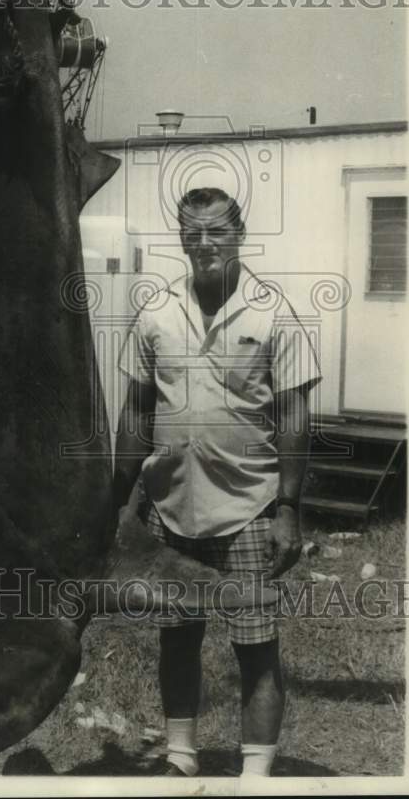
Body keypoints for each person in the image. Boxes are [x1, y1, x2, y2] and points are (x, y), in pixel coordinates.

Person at [114, 187, 321, 779]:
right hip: (172, 509)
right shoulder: (154, 311)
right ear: (180, 237)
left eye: (216, 232)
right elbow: (135, 412)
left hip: (250, 509)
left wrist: (288, 508)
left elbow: (294, 417)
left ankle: (254, 776)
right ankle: (180, 758)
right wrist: (115, 500)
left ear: (239, 233)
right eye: (192, 232)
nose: (204, 244)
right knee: (177, 639)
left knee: (254, 647)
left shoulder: (272, 311)